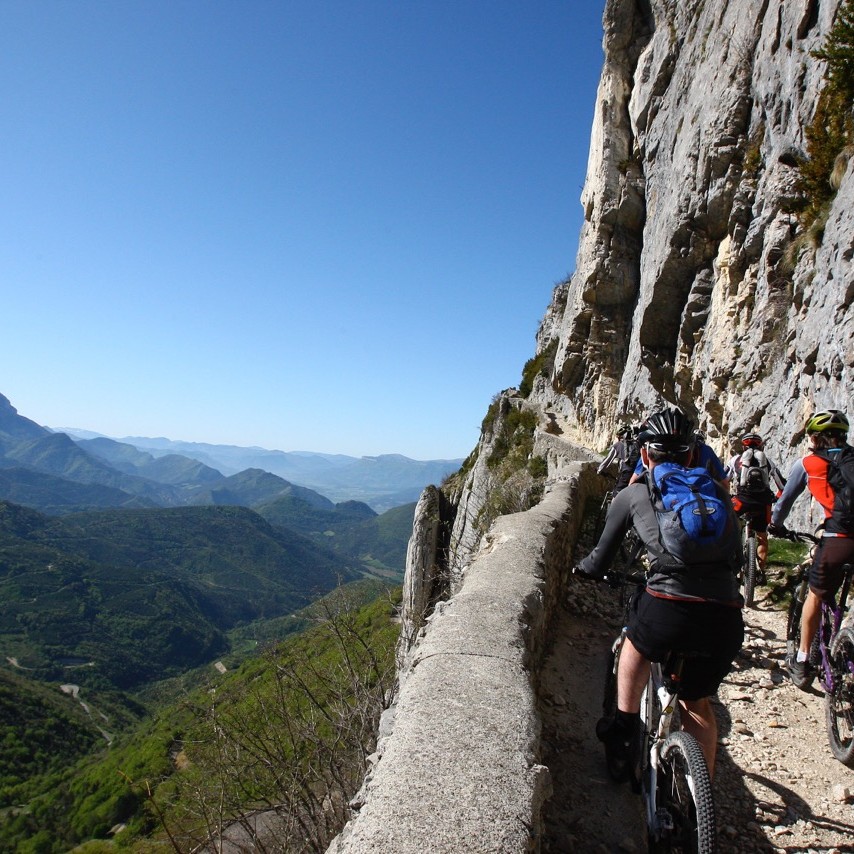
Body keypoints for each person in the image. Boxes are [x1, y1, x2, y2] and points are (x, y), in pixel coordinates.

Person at [576, 407, 744, 781]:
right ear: (690, 454)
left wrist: (584, 570)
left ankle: (623, 731)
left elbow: (599, 559)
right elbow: (736, 555)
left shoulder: (634, 493)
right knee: (697, 703)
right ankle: (699, 804)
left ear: (644, 454)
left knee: (634, 645)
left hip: (668, 608)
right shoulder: (717, 494)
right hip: (726, 616)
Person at [769, 410, 854, 689]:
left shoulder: (808, 463)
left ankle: (803, 661)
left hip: (838, 538)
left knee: (816, 597)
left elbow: (784, 503)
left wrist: (775, 525)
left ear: (816, 438)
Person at [728, 432, 786, 577]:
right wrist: (775, 499)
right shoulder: (768, 462)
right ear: (761, 446)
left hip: (741, 501)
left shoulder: (735, 460)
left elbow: (724, 479)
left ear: (743, 446)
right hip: (762, 503)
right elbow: (782, 486)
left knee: (729, 527)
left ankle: (731, 561)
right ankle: (760, 572)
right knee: (762, 537)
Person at [598, 425, 640, 493]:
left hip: (625, 474)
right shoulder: (636, 444)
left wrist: (599, 470)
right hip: (637, 474)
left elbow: (608, 460)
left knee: (616, 495)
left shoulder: (618, 445)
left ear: (621, 436)